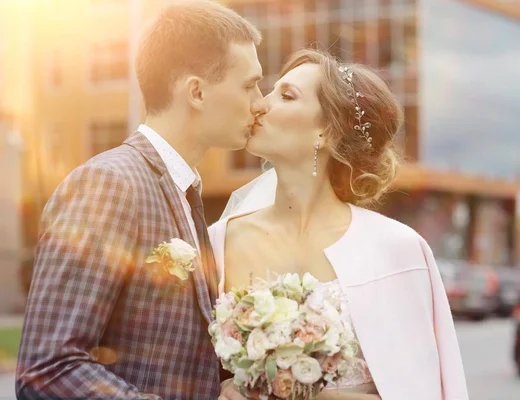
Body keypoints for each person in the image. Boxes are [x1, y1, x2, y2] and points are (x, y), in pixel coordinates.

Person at [16, 1, 263, 399]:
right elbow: (48, 370)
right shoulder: (109, 184)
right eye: (250, 85)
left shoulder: (185, 193)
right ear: (197, 92)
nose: (260, 102)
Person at [210, 49, 469, 400]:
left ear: (326, 133)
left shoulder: (399, 251)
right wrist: (225, 387)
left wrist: (305, 394)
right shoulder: (218, 241)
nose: (260, 105)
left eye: (285, 96)